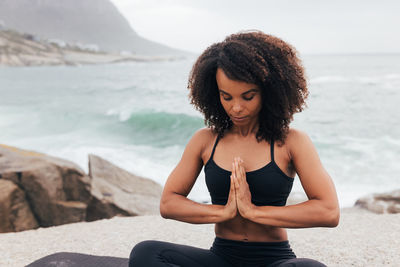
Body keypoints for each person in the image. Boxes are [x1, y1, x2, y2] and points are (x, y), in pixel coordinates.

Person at [129, 30, 340, 267]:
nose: (236, 107)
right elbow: (169, 204)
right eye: (226, 97)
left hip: (273, 260)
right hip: (221, 258)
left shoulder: (291, 142)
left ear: (268, 92)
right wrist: (224, 212)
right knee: (146, 252)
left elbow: (328, 211)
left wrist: (253, 212)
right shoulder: (206, 140)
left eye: (248, 97)